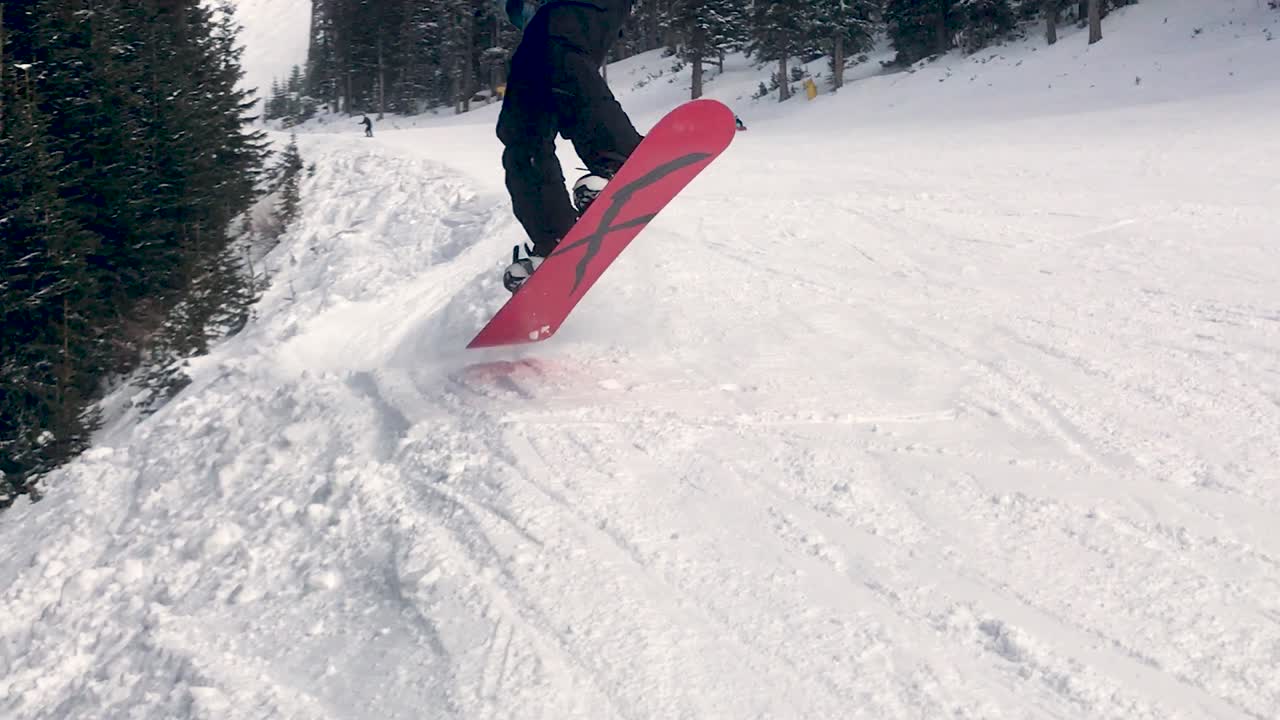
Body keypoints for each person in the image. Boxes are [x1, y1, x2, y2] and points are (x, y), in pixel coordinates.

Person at [496, 0, 643, 292]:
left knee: (560, 51)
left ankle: (618, 157)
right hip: (539, 22)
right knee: (521, 130)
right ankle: (554, 237)